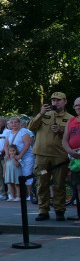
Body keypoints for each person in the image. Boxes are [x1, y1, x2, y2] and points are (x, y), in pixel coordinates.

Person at [29, 92, 74, 221]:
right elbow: (31, 127)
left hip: (59, 157)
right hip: (42, 156)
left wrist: (61, 131)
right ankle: (43, 210)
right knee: (42, 183)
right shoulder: (44, 115)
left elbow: (73, 137)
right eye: (53, 100)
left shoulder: (70, 118)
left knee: (59, 184)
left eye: (58, 100)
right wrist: (41, 113)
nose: (55, 102)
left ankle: (59, 210)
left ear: (65, 101)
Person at [3, 116, 35, 202]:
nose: (13, 124)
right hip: (14, 158)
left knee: (27, 175)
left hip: (26, 157)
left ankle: (29, 195)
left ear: (20, 123)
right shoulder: (8, 133)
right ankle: (17, 195)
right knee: (16, 176)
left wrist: (20, 155)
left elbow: (27, 144)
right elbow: (6, 145)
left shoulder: (23, 131)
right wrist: (7, 154)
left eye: (15, 122)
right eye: (12, 122)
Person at [64, 98, 80, 219]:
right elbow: (64, 139)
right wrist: (70, 151)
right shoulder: (71, 121)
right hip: (75, 159)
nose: (78, 107)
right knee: (77, 186)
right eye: (76, 105)